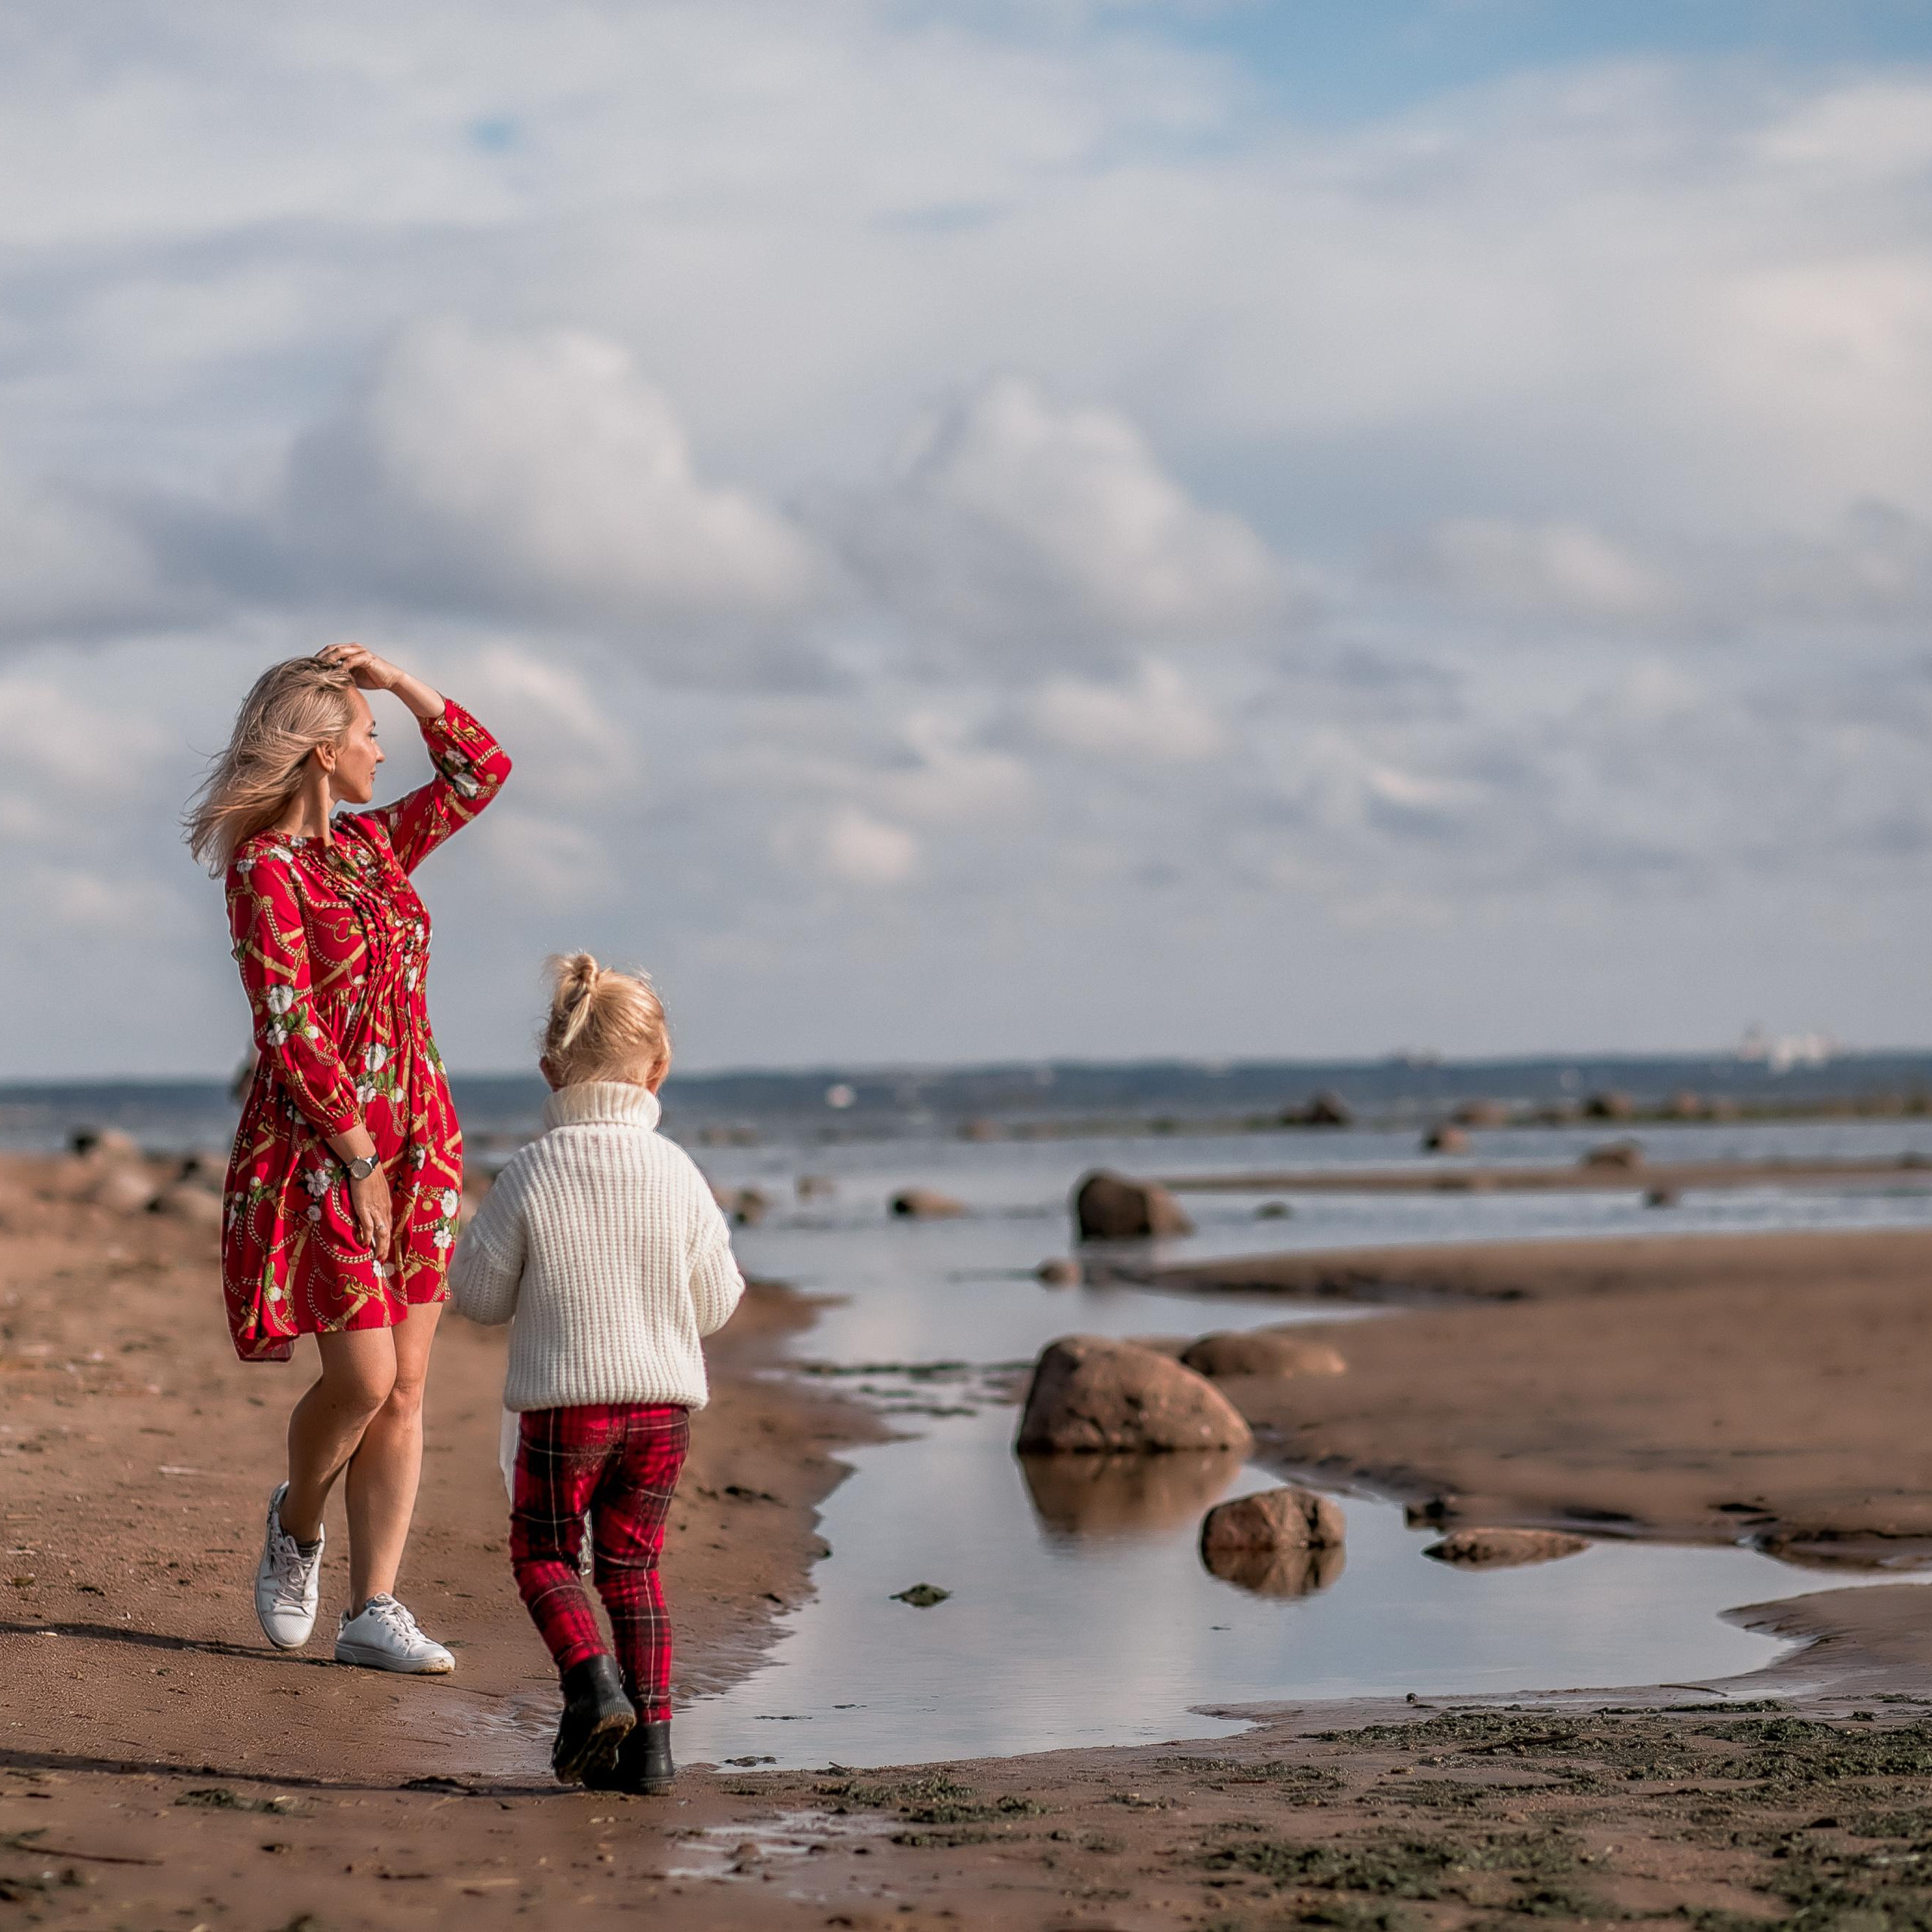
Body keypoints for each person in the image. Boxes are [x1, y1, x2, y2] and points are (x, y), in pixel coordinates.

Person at [185, 644, 511, 1672]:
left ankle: (375, 1610)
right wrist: (359, 1155)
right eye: (369, 733)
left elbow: (481, 770)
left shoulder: (374, 850)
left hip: (425, 1137)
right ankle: (299, 1526)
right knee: (364, 1378)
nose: (383, 748)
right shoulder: (263, 868)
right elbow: (285, 1024)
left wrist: (401, 681)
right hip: (327, 1148)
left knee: (409, 1386)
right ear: (324, 750)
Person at [449, 955, 744, 1790]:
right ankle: (651, 1748)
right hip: (660, 1408)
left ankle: (590, 1680)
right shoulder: (678, 1172)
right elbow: (717, 1302)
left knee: (544, 1550)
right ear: (658, 1070)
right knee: (633, 1567)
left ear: (549, 1070)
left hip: (565, 1409)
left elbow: (475, 1294)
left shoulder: (532, 1171)